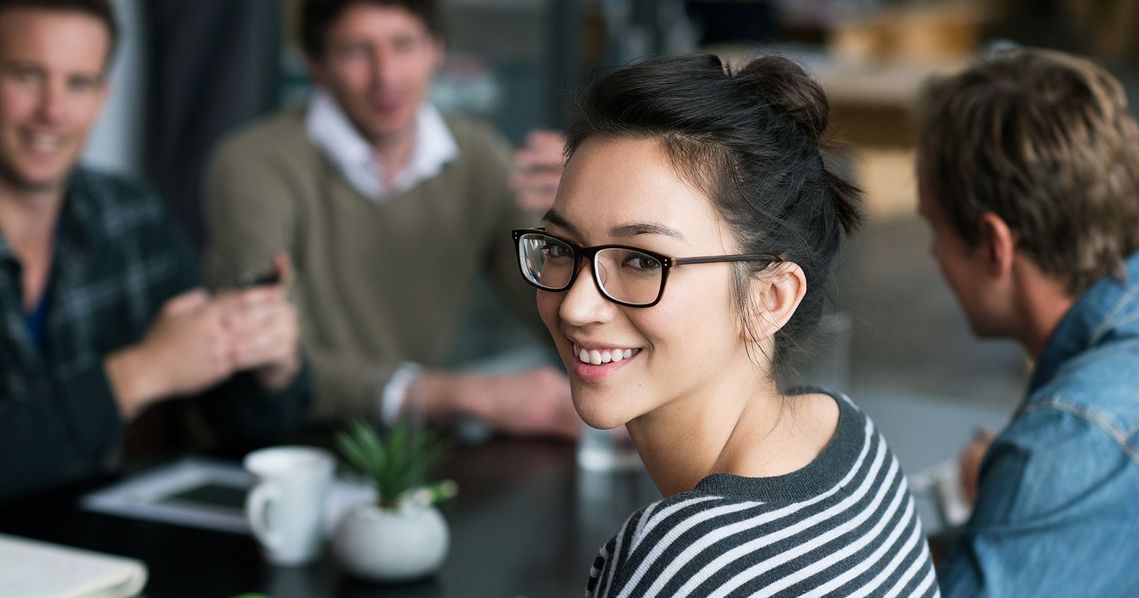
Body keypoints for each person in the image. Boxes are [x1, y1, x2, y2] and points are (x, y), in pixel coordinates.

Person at [516, 54, 939, 596]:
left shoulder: (680, 561)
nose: (577, 306)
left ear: (770, 296)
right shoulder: (849, 438)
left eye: (642, 261)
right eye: (559, 247)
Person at [205, 0, 578, 437]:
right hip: (284, 447)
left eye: (404, 45)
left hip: (411, 451)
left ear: (436, 50)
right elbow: (273, 358)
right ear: (317, 66)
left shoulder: (478, 157)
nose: (387, 76)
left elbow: (555, 311)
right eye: (356, 51)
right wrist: (470, 394)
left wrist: (578, 222)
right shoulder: (254, 163)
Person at [0, 0, 310, 501]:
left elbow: (238, 426)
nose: (52, 112)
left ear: (103, 97)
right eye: (26, 76)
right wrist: (139, 373)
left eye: (79, 84)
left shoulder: (132, 216)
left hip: (96, 552)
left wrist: (267, 364)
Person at [915, 48, 1139, 596]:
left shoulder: (1068, 438)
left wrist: (1022, 484)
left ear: (994, 245)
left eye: (935, 228)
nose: (933, 255)